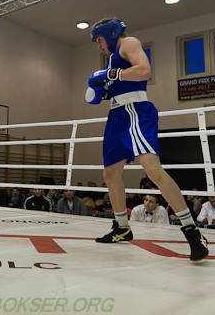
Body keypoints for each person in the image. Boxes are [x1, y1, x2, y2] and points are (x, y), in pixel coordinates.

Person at [86, 18, 208, 261]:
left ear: (110, 33)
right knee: (110, 173)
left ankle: (192, 232)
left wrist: (110, 74)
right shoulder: (112, 58)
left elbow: (144, 71)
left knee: (152, 169)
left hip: (135, 111)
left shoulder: (128, 43)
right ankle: (122, 227)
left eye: (99, 40)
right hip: (117, 115)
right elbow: (121, 81)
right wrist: (104, 90)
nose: (98, 46)